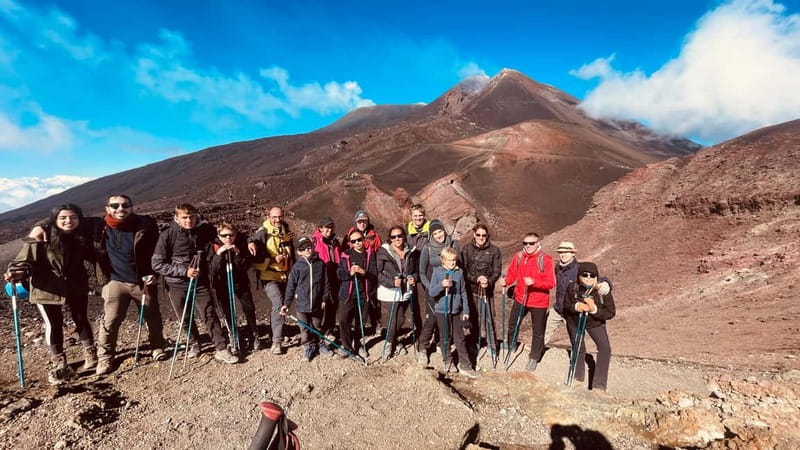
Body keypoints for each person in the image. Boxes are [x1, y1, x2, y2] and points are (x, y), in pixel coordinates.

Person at [4, 204, 97, 384]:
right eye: (63, 218)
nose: (68, 221)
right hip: (46, 287)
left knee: (81, 318)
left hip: (75, 285)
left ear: (79, 219)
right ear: (54, 220)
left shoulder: (82, 236)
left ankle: (90, 354)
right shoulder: (41, 237)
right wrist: (16, 272)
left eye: (73, 217)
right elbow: (24, 260)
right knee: (54, 324)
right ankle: (59, 362)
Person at [88, 195, 168, 375]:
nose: (120, 209)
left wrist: (154, 274)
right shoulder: (99, 227)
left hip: (143, 281)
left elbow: (157, 251)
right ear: (107, 208)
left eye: (125, 205)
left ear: (132, 207)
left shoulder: (145, 225)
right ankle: (105, 357)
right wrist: (40, 227)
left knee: (152, 315)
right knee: (110, 320)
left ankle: (157, 347)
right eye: (115, 206)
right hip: (115, 282)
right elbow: (65, 216)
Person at [151, 204, 239, 364]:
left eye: (191, 216)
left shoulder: (204, 231)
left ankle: (221, 348)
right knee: (185, 317)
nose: (188, 220)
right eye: (184, 217)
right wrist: (184, 271)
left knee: (209, 314)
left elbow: (226, 235)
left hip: (201, 282)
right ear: (176, 218)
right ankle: (194, 344)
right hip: (177, 284)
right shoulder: (167, 235)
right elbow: (157, 264)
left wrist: (249, 242)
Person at [501, 232, 555, 372]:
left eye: (531, 243)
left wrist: (534, 282)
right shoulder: (519, 257)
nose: (528, 246)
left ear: (538, 243)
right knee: (513, 323)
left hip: (539, 302)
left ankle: (534, 357)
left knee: (538, 331)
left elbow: (551, 283)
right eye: (525, 243)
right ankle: (511, 344)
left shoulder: (545, 259)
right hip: (521, 297)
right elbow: (512, 273)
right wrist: (506, 281)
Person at [422, 247, 478, 379]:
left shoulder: (459, 273)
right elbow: (432, 292)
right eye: (450, 260)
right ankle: (447, 360)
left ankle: (465, 366)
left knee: (460, 338)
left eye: (454, 260)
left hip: (455, 310)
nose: (453, 263)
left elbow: (463, 292)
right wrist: (441, 286)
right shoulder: (437, 272)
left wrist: (465, 310)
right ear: (443, 260)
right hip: (442, 310)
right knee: (445, 336)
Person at [248, 206, 295, 355]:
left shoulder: (284, 230)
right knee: (278, 304)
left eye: (280, 217)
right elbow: (253, 252)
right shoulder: (263, 233)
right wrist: (273, 259)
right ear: (268, 217)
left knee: (283, 304)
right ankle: (277, 341)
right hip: (269, 275)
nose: (277, 220)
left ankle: (278, 329)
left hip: (284, 274)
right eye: (274, 217)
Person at [545, 241, 611, 346]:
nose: (563, 254)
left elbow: (595, 278)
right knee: (544, 333)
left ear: (573, 253)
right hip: (558, 309)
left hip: (572, 312)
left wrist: (606, 283)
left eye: (566, 252)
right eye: (561, 252)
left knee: (576, 340)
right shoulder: (558, 268)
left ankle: (576, 360)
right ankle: (535, 357)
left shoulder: (580, 268)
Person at [563, 262, 615, 392]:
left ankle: (599, 386)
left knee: (605, 348)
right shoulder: (572, 287)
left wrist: (594, 310)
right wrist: (576, 307)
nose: (588, 277)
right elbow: (566, 305)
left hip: (595, 322)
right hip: (575, 321)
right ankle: (578, 378)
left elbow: (610, 312)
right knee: (579, 347)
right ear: (578, 275)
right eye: (584, 274)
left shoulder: (603, 291)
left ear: (597, 277)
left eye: (592, 275)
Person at [210, 222, 261, 352]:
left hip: (240, 283)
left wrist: (238, 254)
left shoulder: (241, 244)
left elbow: (245, 266)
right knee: (227, 311)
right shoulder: (213, 246)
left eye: (231, 235)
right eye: (224, 235)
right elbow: (212, 270)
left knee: (249, 308)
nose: (228, 238)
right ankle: (233, 335)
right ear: (219, 235)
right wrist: (218, 255)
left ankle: (253, 335)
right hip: (222, 285)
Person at [281, 237, 331, 361]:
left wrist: (325, 299)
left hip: (317, 303)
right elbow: (291, 286)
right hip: (302, 304)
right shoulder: (297, 267)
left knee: (317, 326)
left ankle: (320, 343)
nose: (307, 249)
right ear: (299, 252)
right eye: (303, 248)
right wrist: (286, 303)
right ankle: (308, 345)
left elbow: (326, 282)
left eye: (309, 246)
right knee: (304, 328)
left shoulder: (320, 264)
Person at [416, 219, 459, 364]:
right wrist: (430, 287)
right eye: (435, 233)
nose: (439, 235)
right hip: (433, 289)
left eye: (440, 231)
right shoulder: (427, 249)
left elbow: (458, 266)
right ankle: (423, 346)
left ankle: (442, 344)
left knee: (447, 318)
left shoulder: (453, 245)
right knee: (432, 319)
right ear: (431, 235)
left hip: (450, 289)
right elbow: (421, 272)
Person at [375, 225, 418, 361]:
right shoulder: (383, 251)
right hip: (390, 291)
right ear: (390, 238)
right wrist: (391, 282)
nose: (397, 239)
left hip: (404, 290)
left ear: (404, 236)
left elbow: (415, 270)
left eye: (399, 235)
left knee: (400, 320)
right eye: (394, 237)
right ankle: (388, 346)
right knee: (393, 321)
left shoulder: (409, 250)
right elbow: (378, 273)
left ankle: (395, 341)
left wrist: (414, 278)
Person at [460, 224, 502, 358]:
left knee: (489, 318)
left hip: (487, 290)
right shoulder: (466, 249)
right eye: (478, 235)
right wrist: (476, 278)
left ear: (487, 235)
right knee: (473, 318)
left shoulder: (495, 250)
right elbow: (463, 270)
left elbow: (497, 270)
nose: (481, 238)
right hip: (471, 290)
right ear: (474, 235)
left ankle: (492, 346)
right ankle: (474, 343)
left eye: (484, 235)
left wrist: (487, 281)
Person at [336, 229, 377, 358]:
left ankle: (358, 345)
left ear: (363, 239)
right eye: (354, 241)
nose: (357, 243)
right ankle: (347, 346)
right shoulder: (345, 255)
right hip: (347, 294)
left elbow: (374, 274)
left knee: (360, 322)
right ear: (350, 243)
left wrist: (362, 271)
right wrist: (350, 274)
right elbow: (339, 274)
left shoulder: (370, 254)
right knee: (343, 320)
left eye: (359, 239)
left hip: (364, 293)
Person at [345, 210, 382, 334]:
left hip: (370, 270)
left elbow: (379, 252)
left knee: (373, 297)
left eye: (364, 221)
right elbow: (345, 253)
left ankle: (375, 322)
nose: (362, 223)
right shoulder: (350, 235)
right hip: (355, 271)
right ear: (356, 222)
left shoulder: (374, 236)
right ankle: (355, 326)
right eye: (360, 221)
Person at [311, 217, 341, 342]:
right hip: (321, 276)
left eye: (331, 227)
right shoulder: (314, 241)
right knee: (320, 304)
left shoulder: (335, 241)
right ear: (320, 228)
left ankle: (329, 330)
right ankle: (316, 331)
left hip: (334, 275)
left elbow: (338, 257)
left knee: (332, 304)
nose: (329, 229)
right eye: (326, 227)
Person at [405, 204, 429, 343]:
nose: (418, 218)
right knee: (413, 301)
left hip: (426, 268)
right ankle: (416, 328)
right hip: (412, 268)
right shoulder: (407, 229)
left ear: (424, 216)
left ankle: (429, 329)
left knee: (428, 299)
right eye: (415, 216)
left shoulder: (430, 229)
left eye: (420, 215)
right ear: (411, 217)